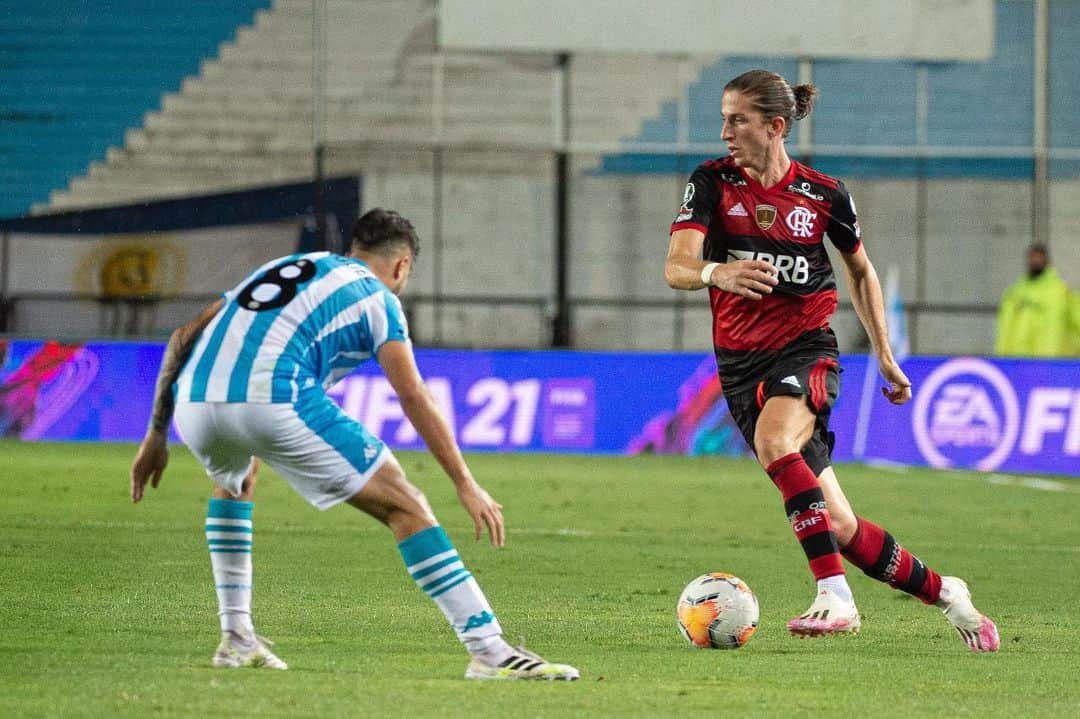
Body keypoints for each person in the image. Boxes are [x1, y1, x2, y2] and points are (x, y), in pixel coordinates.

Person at [129, 208, 579, 680]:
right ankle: (489, 650)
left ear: (353, 247)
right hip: (272, 396)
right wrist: (466, 484)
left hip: (195, 404)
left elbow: (183, 335)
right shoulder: (378, 297)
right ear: (402, 266)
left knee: (238, 480)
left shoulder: (288, 267)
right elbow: (413, 395)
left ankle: (237, 637)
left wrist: (156, 435)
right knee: (406, 505)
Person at [664, 69, 999, 652]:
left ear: (775, 126)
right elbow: (676, 265)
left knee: (776, 443)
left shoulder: (822, 194)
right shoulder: (711, 183)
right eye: (723, 118)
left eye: (737, 119)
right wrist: (718, 272)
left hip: (806, 349)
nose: (724, 131)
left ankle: (834, 596)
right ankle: (949, 593)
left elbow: (861, 271)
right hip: (741, 369)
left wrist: (887, 357)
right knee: (840, 527)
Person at [995, 243, 1080, 357]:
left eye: (1039, 257)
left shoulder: (1061, 293)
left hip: (1052, 362)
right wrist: (1002, 356)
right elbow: (1005, 328)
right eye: (1032, 258)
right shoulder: (1015, 294)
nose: (1035, 261)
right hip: (1019, 363)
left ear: (1047, 261)